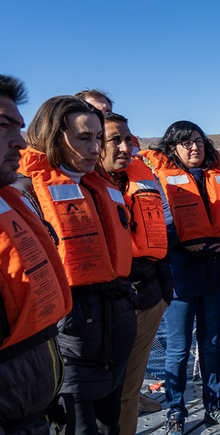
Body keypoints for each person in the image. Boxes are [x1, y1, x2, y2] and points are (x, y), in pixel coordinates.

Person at [17, 95, 138, 435]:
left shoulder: (101, 187)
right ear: (54, 137)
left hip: (114, 332)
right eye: (84, 138)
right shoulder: (27, 193)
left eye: (98, 137)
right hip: (70, 338)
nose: (95, 147)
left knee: (108, 426)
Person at [142, 121, 220, 434]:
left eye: (199, 142)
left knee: (213, 346)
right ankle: (176, 409)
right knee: (177, 349)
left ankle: (214, 407)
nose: (194, 148)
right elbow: (155, 231)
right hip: (180, 281)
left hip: (217, 278)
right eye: (186, 143)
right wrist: (184, 238)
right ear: (172, 148)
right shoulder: (161, 183)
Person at [0, 76, 72, 435]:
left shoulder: (9, 202)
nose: (18, 142)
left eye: (19, 128)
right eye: (2, 126)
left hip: (34, 411)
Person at [99, 113, 173, 435]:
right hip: (96, 309)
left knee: (129, 392)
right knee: (87, 397)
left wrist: (165, 296)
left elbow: (162, 240)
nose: (126, 146)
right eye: (116, 139)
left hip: (146, 299)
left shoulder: (145, 181)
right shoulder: (75, 187)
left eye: (128, 139)